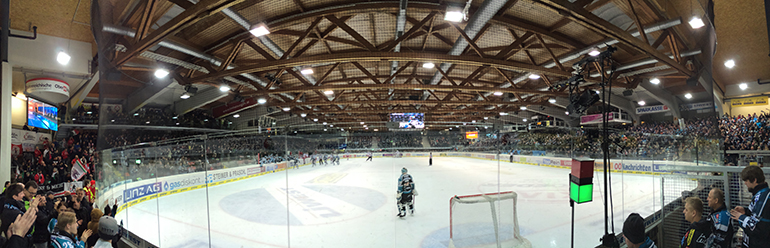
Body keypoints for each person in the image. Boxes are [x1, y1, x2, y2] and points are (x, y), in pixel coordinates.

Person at [730, 166, 770, 247]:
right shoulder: (759, 194)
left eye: (746, 181)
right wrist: (746, 211)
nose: (745, 183)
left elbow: (757, 228)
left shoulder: (763, 198)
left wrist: (740, 217)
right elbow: (756, 215)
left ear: (754, 180)